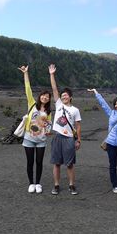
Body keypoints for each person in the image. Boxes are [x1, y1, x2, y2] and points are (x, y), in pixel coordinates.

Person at [88, 88, 117, 194]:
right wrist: (96, 93)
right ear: (114, 105)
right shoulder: (111, 113)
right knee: (113, 165)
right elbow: (103, 104)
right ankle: (115, 185)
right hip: (111, 144)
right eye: (116, 104)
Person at [17, 65, 53, 194]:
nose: (45, 97)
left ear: (49, 99)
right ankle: (31, 183)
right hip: (29, 138)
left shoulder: (48, 111)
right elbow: (28, 88)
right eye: (43, 95)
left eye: (47, 96)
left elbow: (49, 124)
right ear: (40, 97)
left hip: (41, 139)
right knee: (30, 162)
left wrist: (48, 129)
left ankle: (38, 183)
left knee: (39, 162)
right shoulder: (32, 103)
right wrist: (25, 73)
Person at [49, 64, 82, 196]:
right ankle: (56, 185)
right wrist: (52, 74)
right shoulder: (58, 105)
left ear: (70, 97)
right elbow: (54, 89)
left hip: (69, 138)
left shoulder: (75, 110)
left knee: (69, 164)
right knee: (56, 163)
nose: (64, 97)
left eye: (66, 95)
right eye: (62, 95)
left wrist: (78, 140)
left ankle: (71, 185)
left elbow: (78, 126)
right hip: (57, 137)